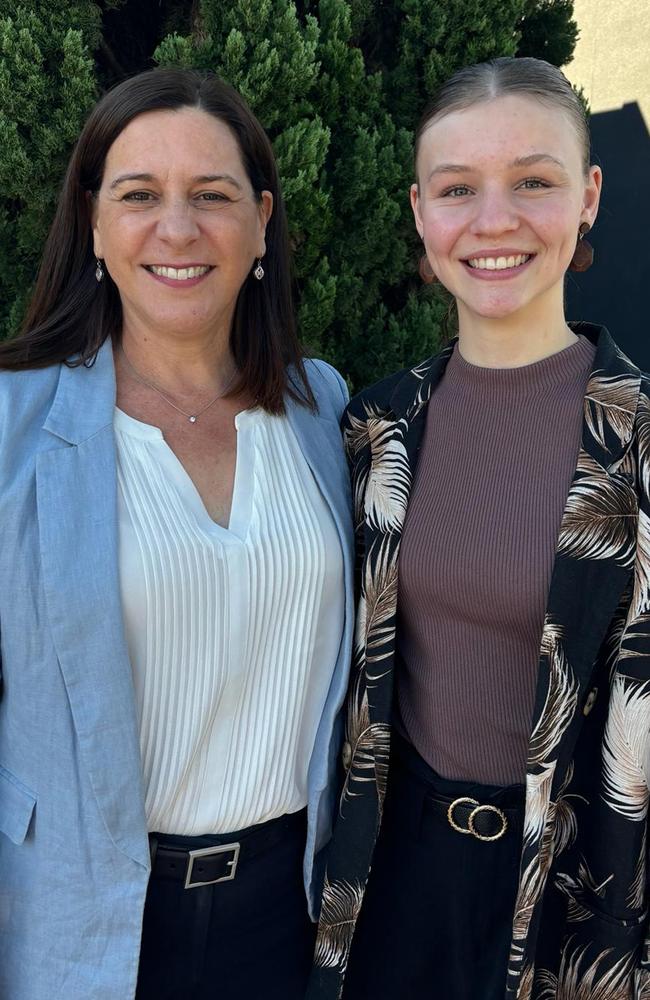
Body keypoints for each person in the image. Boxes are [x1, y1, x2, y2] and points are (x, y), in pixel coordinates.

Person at [0, 68, 354, 1000]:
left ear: (262, 221)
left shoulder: (328, 413)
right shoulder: (13, 425)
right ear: (94, 223)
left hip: (289, 921)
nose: (178, 227)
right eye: (140, 195)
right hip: (79, 926)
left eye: (212, 195)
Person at [308, 56, 650, 1000]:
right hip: (389, 876)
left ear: (587, 197)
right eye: (459, 190)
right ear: (421, 212)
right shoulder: (375, 429)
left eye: (533, 183)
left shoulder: (639, 447)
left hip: (576, 897)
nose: (494, 221)